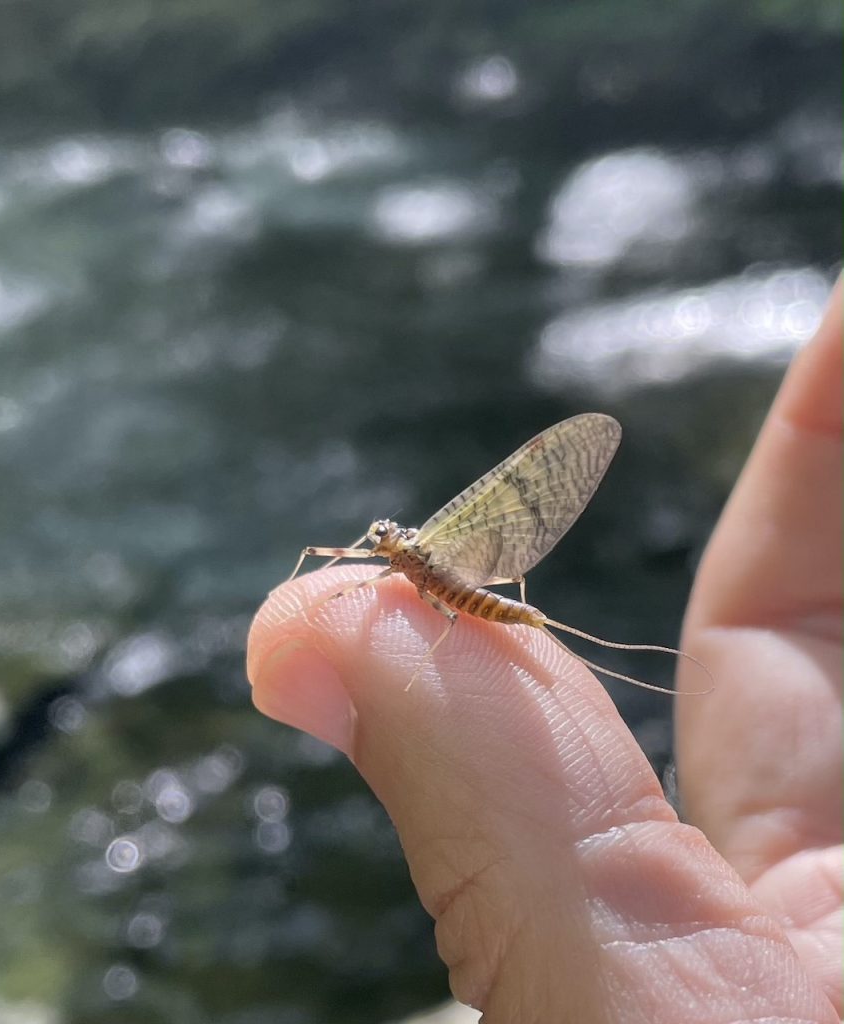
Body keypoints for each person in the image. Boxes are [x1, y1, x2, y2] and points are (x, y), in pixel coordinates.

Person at [247, 282, 842, 1023]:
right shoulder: (410, 567)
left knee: (382, 609)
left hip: (478, 602)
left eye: (383, 542)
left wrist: (353, 597)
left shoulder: (412, 564)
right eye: (382, 543)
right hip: (479, 595)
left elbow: (412, 604)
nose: (380, 546)